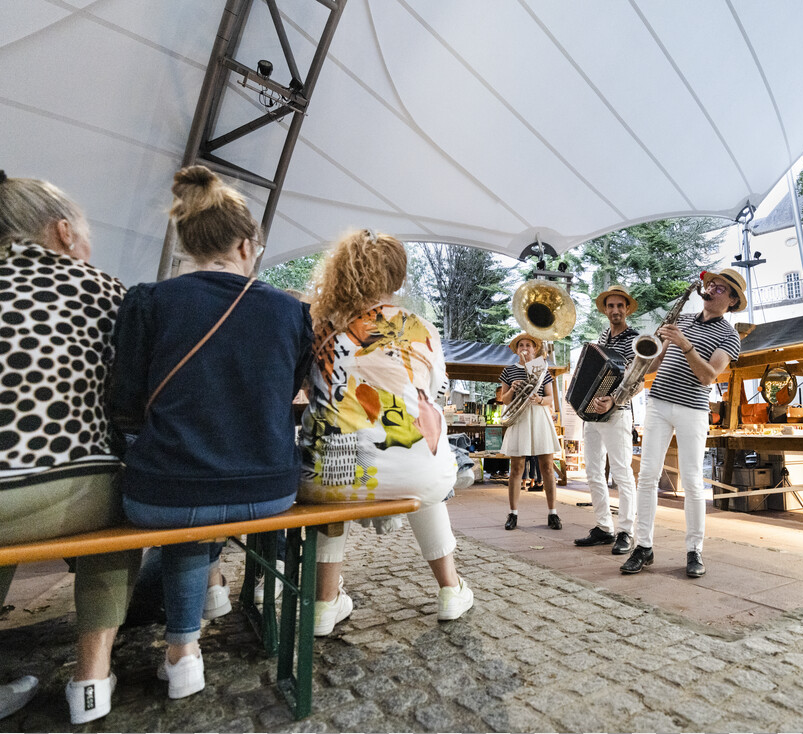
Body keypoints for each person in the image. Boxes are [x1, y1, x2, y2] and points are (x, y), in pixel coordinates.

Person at [109, 165, 313, 700]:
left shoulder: (149, 301)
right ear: (247, 245)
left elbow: (125, 403)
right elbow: (287, 391)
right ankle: (221, 594)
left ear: (186, 242)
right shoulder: (290, 312)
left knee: (186, 501)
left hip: (172, 495)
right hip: (270, 489)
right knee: (204, 489)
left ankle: (183, 654)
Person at [0, 172, 142, 724]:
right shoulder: (106, 292)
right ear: (62, 231)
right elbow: (130, 401)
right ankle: (91, 677)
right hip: (80, 492)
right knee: (115, 525)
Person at [297, 229, 474, 636]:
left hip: (328, 475)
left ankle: (325, 603)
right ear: (396, 280)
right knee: (424, 462)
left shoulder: (320, 327)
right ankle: (450, 589)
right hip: (415, 471)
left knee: (337, 455)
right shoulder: (419, 327)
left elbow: (311, 390)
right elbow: (433, 393)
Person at [622, 268, 745, 578]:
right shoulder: (685, 319)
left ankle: (694, 550)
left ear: (731, 301)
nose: (712, 288)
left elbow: (708, 376)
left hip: (692, 409)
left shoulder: (730, 335)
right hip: (659, 401)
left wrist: (684, 343)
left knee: (691, 481)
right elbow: (658, 361)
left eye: (720, 288)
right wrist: (651, 351)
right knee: (647, 475)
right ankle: (643, 547)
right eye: (712, 284)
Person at [574, 285, 640, 556]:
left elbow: (637, 381)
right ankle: (603, 526)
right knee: (593, 472)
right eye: (610, 306)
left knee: (622, 473)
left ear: (626, 309)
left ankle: (626, 531)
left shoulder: (634, 339)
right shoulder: (602, 337)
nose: (615, 310)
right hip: (592, 415)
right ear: (605, 309)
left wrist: (613, 399)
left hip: (618, 414)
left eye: (619, 306)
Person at [499, 333, 560, 530]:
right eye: (521, 345)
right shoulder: (509, 371)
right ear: (516, 350)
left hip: (539, 415)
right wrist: (512, 390)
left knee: (548, 467)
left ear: (535, 349)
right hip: (520, 416)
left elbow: (551, 398)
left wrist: (540, 400)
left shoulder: (543, 370)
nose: (525, 348)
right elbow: (504, 399)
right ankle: (513, 514)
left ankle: (553, 514)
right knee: (517, 468)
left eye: (528, 345)